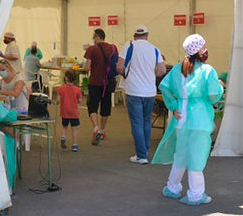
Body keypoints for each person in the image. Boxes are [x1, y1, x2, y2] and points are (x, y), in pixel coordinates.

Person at [153, 34, 222, 205]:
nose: (205, 49)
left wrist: (173, 105)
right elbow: (213, 96)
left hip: (181, 119)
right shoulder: (207, 70)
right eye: (203, 46)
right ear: (199, 50)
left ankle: (172, 187)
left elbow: (164, 87)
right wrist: (220, 87)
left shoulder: (178, 68)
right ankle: (196, 194)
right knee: (196, 158)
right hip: (200, 119)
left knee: (181, 156)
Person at [117, 25, 166, 164]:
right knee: (146, 121)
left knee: (137, 122)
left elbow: (119, 67)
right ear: (147, 36)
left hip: (134, 90)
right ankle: (145, 150)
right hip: (150, 91)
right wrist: (151, 74)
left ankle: (141, 155)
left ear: (134, 36)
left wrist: (126, 75)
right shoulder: (155, 49)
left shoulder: (129, 46)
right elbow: (162, 70)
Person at [83, 28, 118, 145]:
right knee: (105, 107)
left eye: (93, 36)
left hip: (95, 82)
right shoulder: (113, 48)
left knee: (92, 106)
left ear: (97, 37)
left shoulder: (92, 49)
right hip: (108, 82)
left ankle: (96, 128)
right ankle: (102, 130)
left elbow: (87, 68)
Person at [56, 69, 83, 152]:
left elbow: (58, 100)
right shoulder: (77, 89)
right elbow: (80, 100)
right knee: (74, 128)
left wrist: (57, 102)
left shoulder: (61, 88)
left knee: (64, 126)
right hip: (74, 112)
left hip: (64, 112)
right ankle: (75, 145)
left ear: (66, 78)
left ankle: (63, 137)